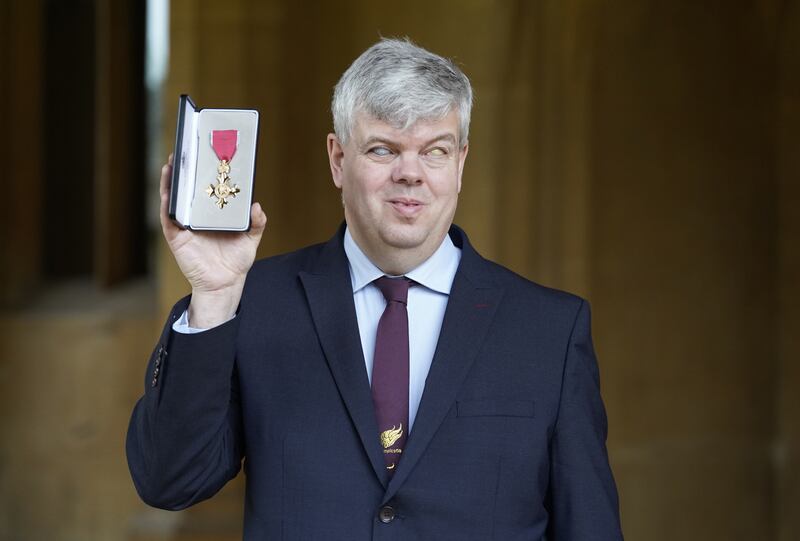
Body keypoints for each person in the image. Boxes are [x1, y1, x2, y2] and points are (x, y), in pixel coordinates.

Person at [127, 38, 624, 540]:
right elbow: (170, 481)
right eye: (383, 149)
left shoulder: (549, 331)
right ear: (338, 159)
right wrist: (212, 296)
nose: (410, 174)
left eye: (436, 151)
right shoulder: (252, 304)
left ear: (461, 163)